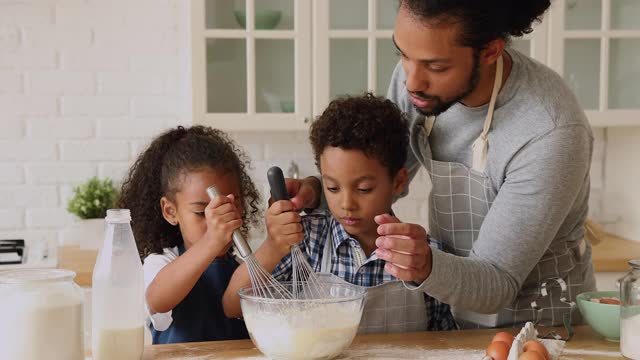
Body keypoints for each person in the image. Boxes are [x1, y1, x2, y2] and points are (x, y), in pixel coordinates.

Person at [284, 0, 596, 328]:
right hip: (455, 314)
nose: (412, 82)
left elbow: (497, 284)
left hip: (539, 326)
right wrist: (317, 192)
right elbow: (380, 174)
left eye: (436, 67)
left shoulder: (549, 131)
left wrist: (426, 265)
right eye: (403, 55)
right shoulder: (421, 79)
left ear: (490, 51)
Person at [223, 93, 457, 333]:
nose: (347, 203)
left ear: (398, 182)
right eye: (332, 188)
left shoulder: (422, 256)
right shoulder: (307, 240)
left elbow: (445, 341)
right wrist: (273, 246)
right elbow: (233, 305)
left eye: (364, 189)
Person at [118, 125, 262, 343]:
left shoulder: (243, 265)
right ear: (170, 211)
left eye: (228, 207)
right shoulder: (162, 262)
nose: (215, 221)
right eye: (200, 212)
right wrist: (211, 242)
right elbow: (157, 300)